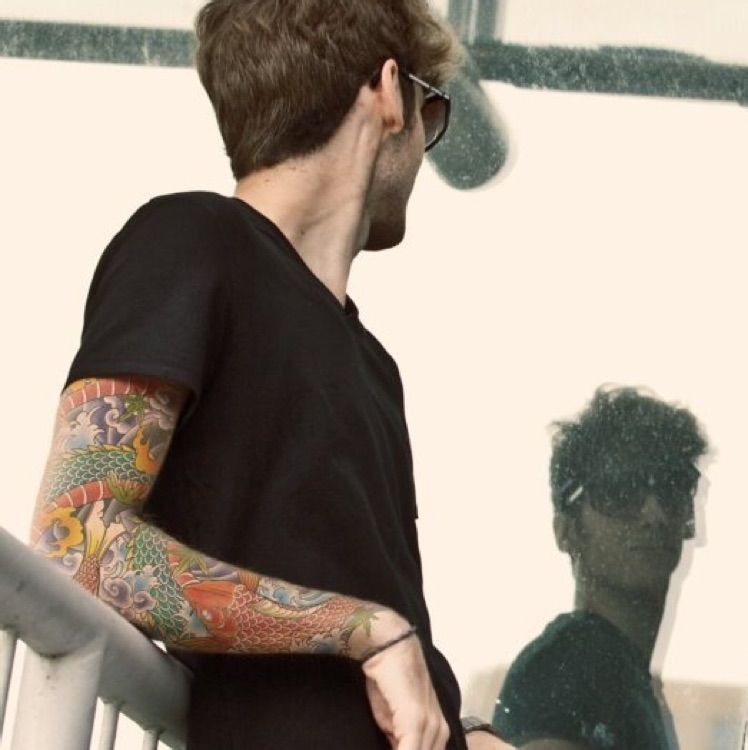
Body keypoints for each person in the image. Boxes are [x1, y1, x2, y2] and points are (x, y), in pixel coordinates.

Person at [28, 2, 506, 748]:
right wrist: (363, 628)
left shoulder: (374, 370)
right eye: (431, 113)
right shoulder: (192, 240)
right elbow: (75, 542)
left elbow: (393, 649)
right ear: (389, 91)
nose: (423, 146)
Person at [492, 387, 708, 750]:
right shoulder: (564, 667)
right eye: (620, 491)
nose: (653, 513)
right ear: (567, 531)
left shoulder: (630, 682)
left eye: (671, 488)